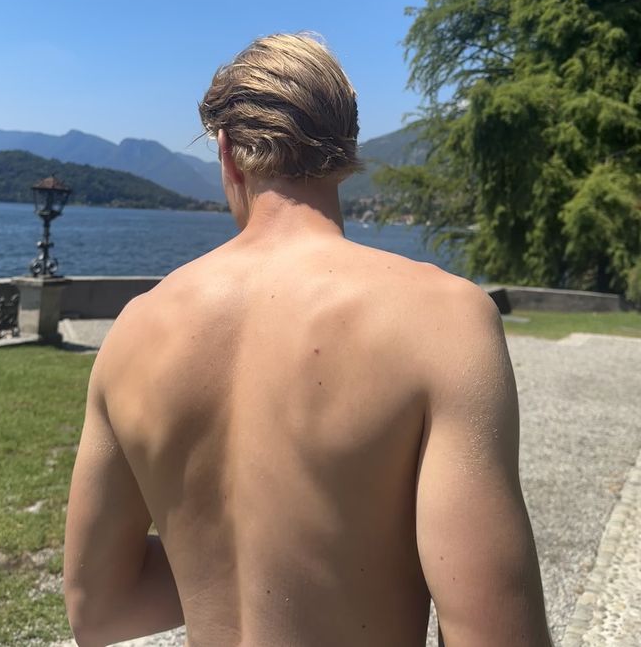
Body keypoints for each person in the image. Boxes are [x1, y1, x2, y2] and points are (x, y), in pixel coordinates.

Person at [64, 33, 553, 647]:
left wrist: (213, 559)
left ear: (227, 152)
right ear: (346, 147)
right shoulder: (444, 319)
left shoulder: (135, 328)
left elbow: (99, 610)